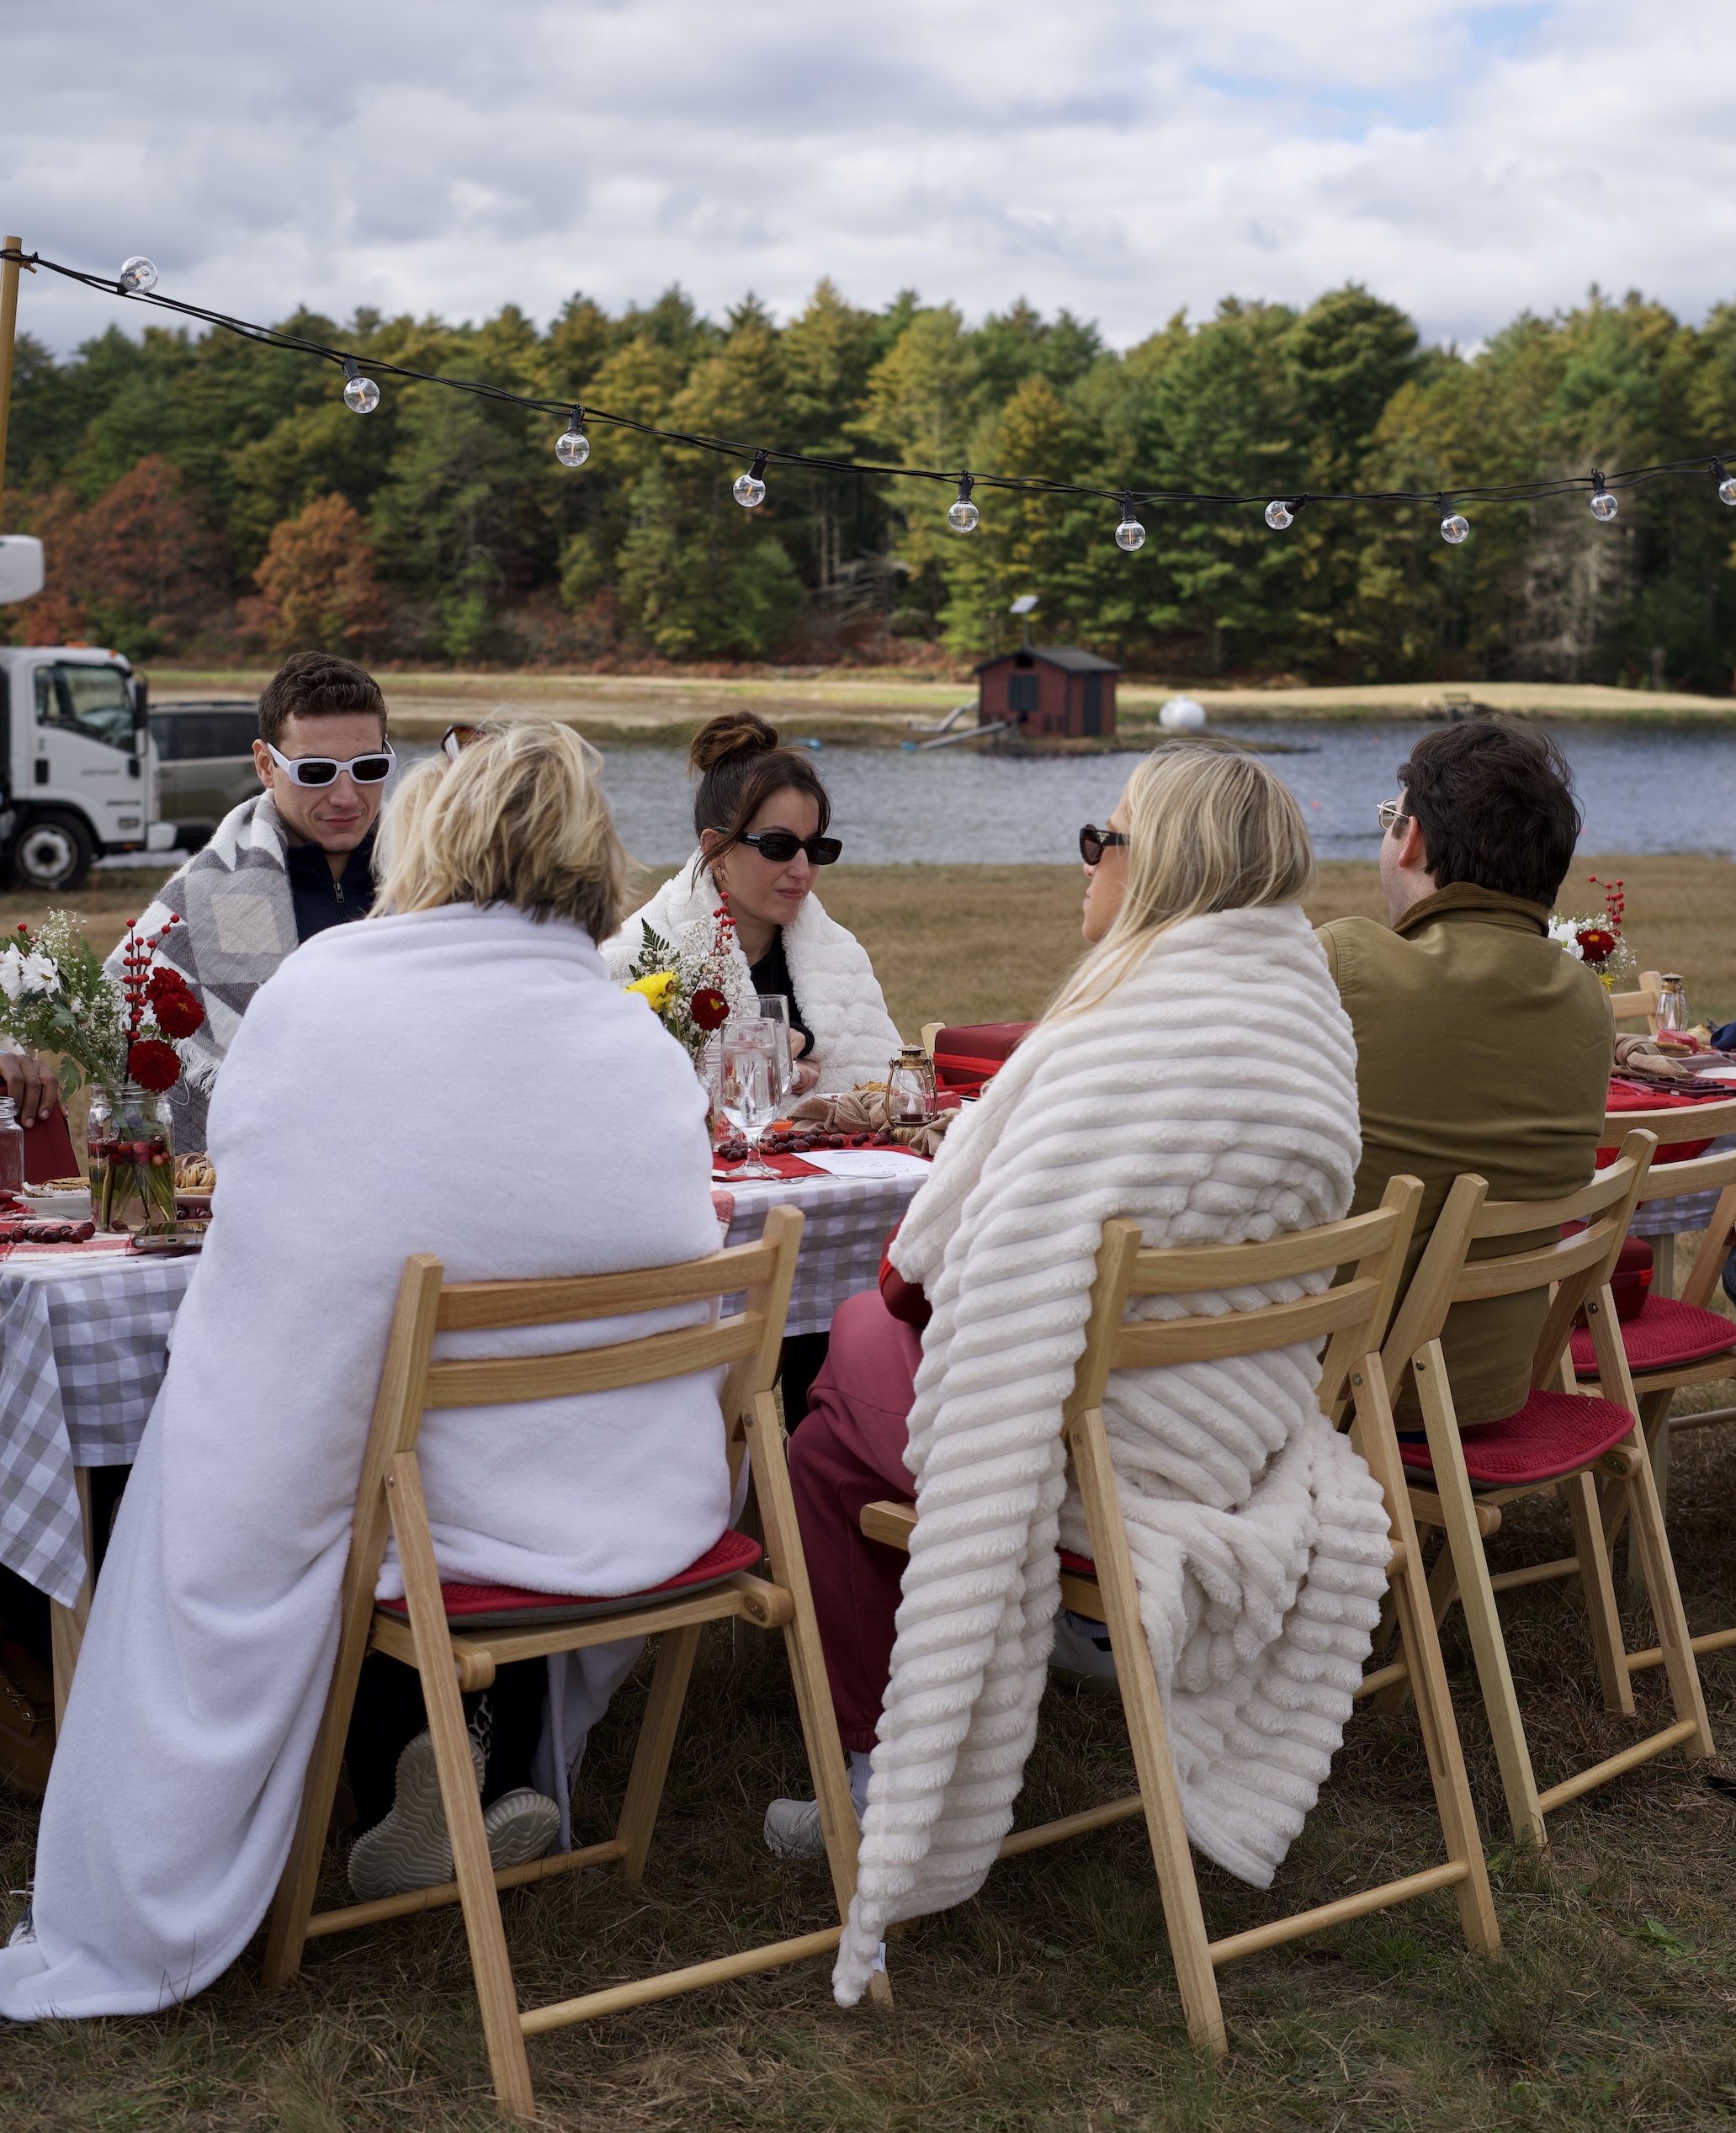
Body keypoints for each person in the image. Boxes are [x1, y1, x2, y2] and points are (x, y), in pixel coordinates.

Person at [0, 716, 732, 2018]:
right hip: (646, 1515)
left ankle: (232, 1830)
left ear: (425, 834)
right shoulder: (632, 1040)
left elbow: (280, 1288)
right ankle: (475, 1775)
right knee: (376, 1412)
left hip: (435, 1524)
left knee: (208, 1442)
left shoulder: (330, 992)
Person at [770, 744, 1395, 2008]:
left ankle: (881, 1766)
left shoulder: (1119, 1037)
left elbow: (924, 1263)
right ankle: (969, 1685)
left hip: (1100, 1456)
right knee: (860, 1363)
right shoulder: (1306, 1024)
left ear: (1159, 863)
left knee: (835, 1394)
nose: (1089, 861)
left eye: (1101, 838)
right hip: (1232, 1432)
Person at [1319, 719, 1613, 1425]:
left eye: (1391, 819)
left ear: (1412, 838)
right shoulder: (1585, 1001)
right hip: (1483, 1395)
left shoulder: (1349, 962)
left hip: (1327, 1383)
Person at [107, 650, 395, 1152]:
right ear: (266, 764)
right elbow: (113, 1033)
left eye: (369, 767)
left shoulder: (441, 880)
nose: (347, 796)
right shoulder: (200, 896)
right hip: (264, 1169)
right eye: (316, 772)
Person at [600, 712, 900, 1097]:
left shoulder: (844, 961)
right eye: (778, 846)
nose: (802, 870)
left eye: (816, 848)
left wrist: (812, 1059)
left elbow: (885, 1095)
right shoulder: (633, 961)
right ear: (715, 850)